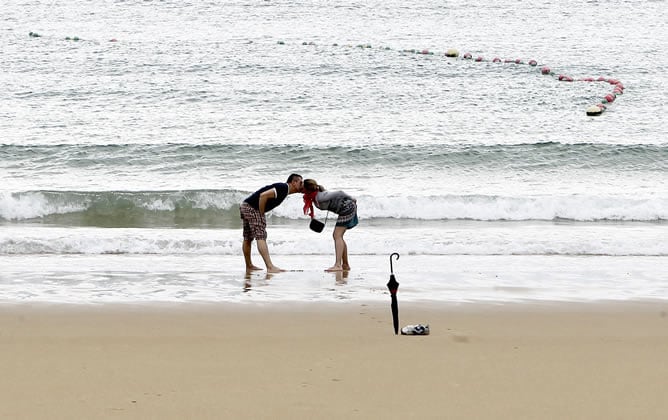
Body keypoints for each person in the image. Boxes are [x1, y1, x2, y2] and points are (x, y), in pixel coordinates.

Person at [241, 174, 303, 273]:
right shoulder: (283, 188)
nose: (302, 184)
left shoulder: (284, 190)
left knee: (248, 237)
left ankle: (249, 266)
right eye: (300, 182)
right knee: (261, 236)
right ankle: (270, 267)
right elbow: (263, 195)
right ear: (294, 182)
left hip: (246, 205)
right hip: (252, 208)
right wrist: (261, 214)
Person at [302, 179, 358, 272]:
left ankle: (338, 265)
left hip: (347, 208)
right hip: (345, 209)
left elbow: (340, 192)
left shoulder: (320, 197)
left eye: (302, 187)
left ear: (307, 189)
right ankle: (345, 265)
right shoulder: (313, 197)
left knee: (337, 235)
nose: (301, 189)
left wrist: (352, 198)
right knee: (339, 236)